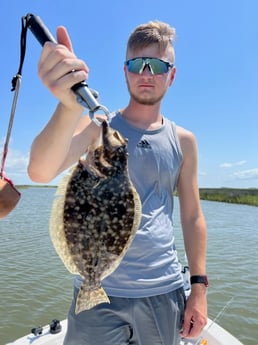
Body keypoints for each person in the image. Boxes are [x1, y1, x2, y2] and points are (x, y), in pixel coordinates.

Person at [28, 20, 208, 345]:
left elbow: (193, 217)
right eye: (137, 64)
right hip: (97, 290)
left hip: (163, 287)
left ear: (172, 74)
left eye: (158, 64)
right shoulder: (98, 127)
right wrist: (68, 107)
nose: (147, 73)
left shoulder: (184, 141)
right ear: (125, 71)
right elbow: (40, 171)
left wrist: (198, 287)